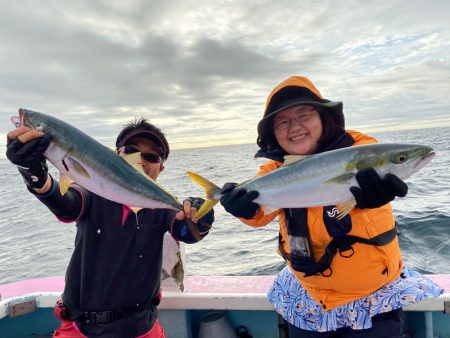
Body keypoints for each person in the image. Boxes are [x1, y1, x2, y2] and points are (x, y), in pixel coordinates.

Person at [219, 76, 443, 337]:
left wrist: (375, 197)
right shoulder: (274, 169)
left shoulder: (361, 148)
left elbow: (372, 182)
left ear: (324, 118)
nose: (294, 127)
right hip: (306, 296)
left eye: (304, 115)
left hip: (373, 297)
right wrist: (245, 209)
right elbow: (261, 213)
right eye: (283, 122)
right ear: (273, 134)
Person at [6, 117, 214, 338]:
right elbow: (64, 203)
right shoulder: (91, 193)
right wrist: (33, 172)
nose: (141, 161)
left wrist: (201, 217)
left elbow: (186, 231)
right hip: (80, 329)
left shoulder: (161, 207)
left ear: (160, 168)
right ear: (116, 155)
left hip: (142, 328)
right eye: (131, 151)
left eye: (151, 157)